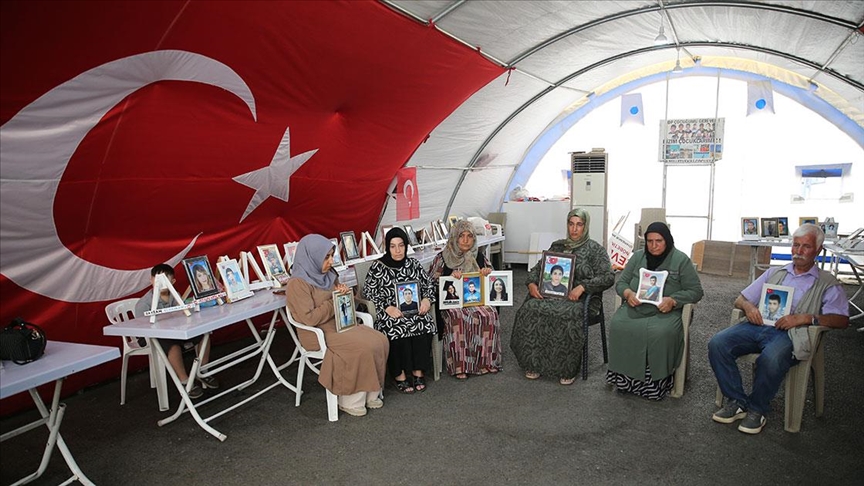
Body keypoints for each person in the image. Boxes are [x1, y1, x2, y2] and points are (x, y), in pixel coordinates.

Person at [708, 224, 849, 434]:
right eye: (796, 245)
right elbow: (740, 299)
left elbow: (841, 320)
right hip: (759, 326)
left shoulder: (827, 283)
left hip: (792, 333)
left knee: (771, 358)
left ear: (818, 250)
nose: (799, 251)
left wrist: (805, 318)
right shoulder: (775, 272)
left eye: (806, 246)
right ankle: (737, 401)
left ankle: (757, 409)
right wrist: (749, 307)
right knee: (718, 343)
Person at [286, 234, 388, 417]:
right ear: (311, 257)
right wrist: (334, 301)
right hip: (316, 332)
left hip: (341, 323)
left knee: (379, 340)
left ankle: (371, 392)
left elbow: (342, 303)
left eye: (331, 256)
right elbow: (309, 319)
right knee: (360, 347)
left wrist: (345, 294)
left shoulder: (329, 275)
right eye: (326, 257)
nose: (331, 261)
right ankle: (350, 400)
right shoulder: (297, 284)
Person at [510, 209, 614, 385]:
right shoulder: (558, 246)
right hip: (551, 294)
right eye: (571, 224)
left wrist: (583, 287)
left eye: (579, 225)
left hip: (581, 299)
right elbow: (538, 268)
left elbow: (608, 276)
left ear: (586, 226)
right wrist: (532, 284)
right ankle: (533, 362)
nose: (574, 229)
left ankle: (565, 368)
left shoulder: (595, 250)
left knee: (567, 314)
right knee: (530, 308)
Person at [606, 222, 703, 400]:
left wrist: (673, 300)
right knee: (619, 325)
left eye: (659, 241)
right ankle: (625, 381)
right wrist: (628, 293)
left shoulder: (680, 260)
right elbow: (621, 282)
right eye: (650, 241)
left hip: (665, 312)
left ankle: (654, 386)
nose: (654, 246)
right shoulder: (638, 257)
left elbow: (696, 291)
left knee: (659, 333)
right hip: (636, 308)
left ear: (667, 241)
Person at [363, 227, 436, 393]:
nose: (397, 250)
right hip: (390, 312)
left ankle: (418, 371)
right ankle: (399, 374)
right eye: (393, 246)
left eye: (401, 245)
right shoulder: (378, 267)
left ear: (406, 246)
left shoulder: (413, 264)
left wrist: (426, 299)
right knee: (395, 326)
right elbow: (368, 291)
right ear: (387, 247)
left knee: (423, 322)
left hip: (414, 309)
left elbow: (429, 285)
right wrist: (387, 307)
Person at [430, 220, 502, 379]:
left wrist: (487, 273)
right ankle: (460, 366)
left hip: (475, 301)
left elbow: (495, 281)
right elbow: (430, 284)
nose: (465, 240)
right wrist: (449, 278)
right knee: (458, 316)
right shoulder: (443, 258)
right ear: (454, 237)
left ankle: (486, 362)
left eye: (470, 236)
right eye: (461, 236)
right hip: (452, 304)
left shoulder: (479, 257)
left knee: (489, 314)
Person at [135, 264, 218, 399]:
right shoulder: (143, 304)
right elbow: (141, 330)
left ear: (172, 281)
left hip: (176, 331)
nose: (162, 284)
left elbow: (181, 317)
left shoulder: (176, 296)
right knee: (173, 347)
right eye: (158, 280)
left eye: (166, 280)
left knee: (203, 335)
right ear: (151, 280)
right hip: (155, 336)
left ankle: (203, 371)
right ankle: (185, 381)